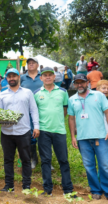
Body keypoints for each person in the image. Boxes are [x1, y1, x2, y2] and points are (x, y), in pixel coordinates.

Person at [34, 67, 75, 197]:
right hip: (43, 131)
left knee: (63, 160)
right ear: (41, 78)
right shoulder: (36, 93)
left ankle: (68, 189)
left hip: (59, 131)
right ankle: (47, 189)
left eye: (50, 75)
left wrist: (57, 121)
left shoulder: (62, 92)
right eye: (45, 75)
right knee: (46, 160)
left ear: (54, 77)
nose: (47, 77)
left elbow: (65, 110)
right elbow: (34, 112)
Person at [0, 68, 40, 192]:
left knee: (26, 159)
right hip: (7, 132)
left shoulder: (27, 93)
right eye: (9, 77)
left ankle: (26, 185)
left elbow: (33, 110)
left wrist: (36, 126)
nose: (12, 78)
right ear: (6, 79)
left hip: (23, 131)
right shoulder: (2, 94)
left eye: (14, 76)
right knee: (8, 159)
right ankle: (9, 185)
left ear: (18, 77)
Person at [68, 75, 108, 200]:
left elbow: (107, 112)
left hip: (100, 137)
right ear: (74, 84)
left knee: (105, 165)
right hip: (83, 138)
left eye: (82, 82)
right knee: (89, 166)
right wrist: (73, 137)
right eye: (77, 83)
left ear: (88, 83)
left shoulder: (99, 96)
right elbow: (71, 118)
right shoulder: (72, 99)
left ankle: (106, 190)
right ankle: (96, 190)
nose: (80, 85)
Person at [20, 57, 43, 169]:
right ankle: (33, 158)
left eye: (33, 63)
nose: (31, 64)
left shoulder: (43, 76)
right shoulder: (22, 77)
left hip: (43, 108)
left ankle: (46, 159)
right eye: (29, 63)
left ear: (37, 65)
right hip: (27, 110)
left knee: (44, 133)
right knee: (30, 134)